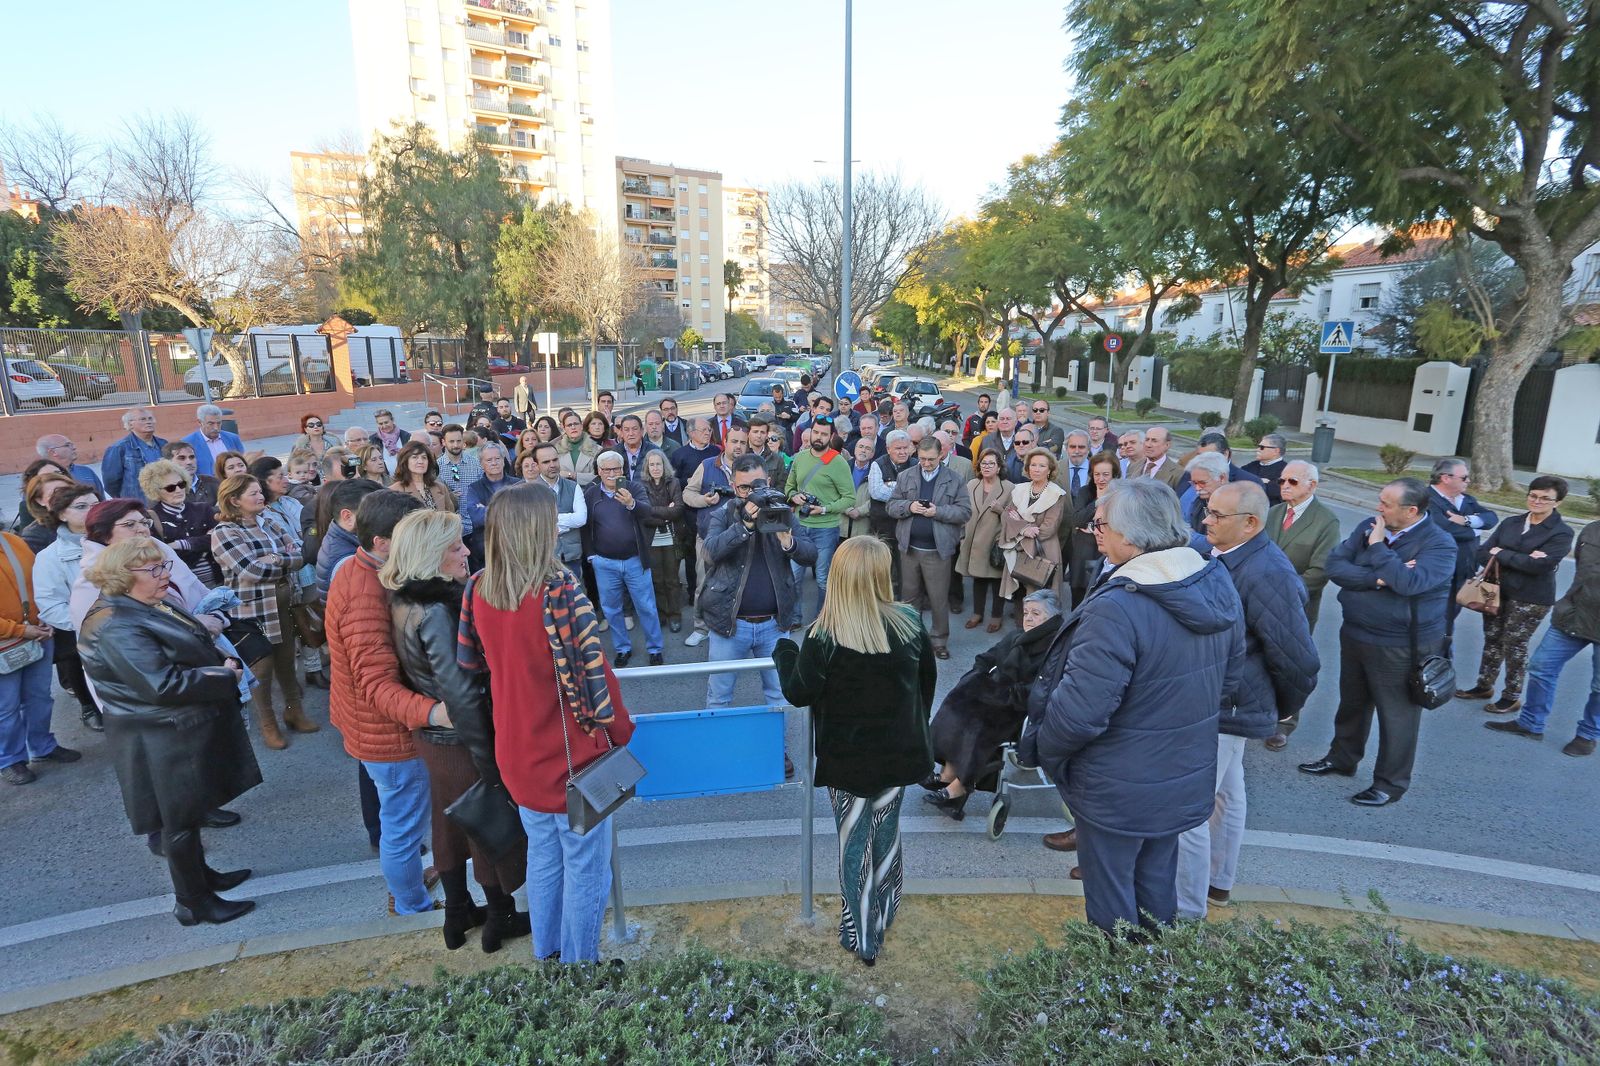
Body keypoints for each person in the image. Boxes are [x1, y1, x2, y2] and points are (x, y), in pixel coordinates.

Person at [1024, 478, 1244, 934]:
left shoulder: (1121, 606)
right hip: (1179, 774)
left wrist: (1044, 750)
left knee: (1112, 904)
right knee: (1155, 887)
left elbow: (1080, 712)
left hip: (1117, 785)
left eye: (1101, 524)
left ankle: (1117, 991)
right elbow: (1231, 679)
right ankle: (1152, 981)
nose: (1095, 531)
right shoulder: (1212, 579)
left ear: (1132, 535)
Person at [457, 484, 635, 964]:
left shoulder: (477, 588)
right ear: (535, 531)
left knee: (543, 856)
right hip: (569, 755)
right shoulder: (560, 592)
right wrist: (620, 733)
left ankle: (548, 955)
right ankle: (581, 967)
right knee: (585, 868)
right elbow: (598, 677)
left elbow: (471, 664)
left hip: (515, 752)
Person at [77, 536, 259, 924]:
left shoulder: (138, 605)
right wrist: (221, 675)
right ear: (123, 576)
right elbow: (161, 684)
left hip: (172, 731)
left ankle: (202, 879)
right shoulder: (115, 624)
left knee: (187, 816)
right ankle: (193, 902)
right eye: (155, 569)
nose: (166, 574)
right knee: (177, 822)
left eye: (164, 565)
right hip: (160, 736)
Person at [774, 536, 935, 966]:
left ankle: (861, 932)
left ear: (840, 578)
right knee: (887, 834)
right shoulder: (908, 622)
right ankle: (886, 910)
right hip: (899, 755)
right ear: (882, 575)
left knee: (852, 843)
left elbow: (799, 691)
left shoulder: (824, 634)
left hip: (848, 761)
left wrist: (785, 651)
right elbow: (926, 689)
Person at [382, 510, 530, 952]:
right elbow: (462, 693)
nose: (467, 550)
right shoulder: (439, 611)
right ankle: (498, 918)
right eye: (455, 546)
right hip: (463, 740)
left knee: (447, 827)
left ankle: (457, 911)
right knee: (484, 828)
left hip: (434, 742)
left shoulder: (404, 600)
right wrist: (490, 761)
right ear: (431, 555)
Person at [1176, 481, 1318, 919]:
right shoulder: (1228, 556)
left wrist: (1279, 708)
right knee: (1227, 796)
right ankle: (1218, 883)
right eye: (1207, 510)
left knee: (1189, 808)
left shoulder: (1268, 572)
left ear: (1251, 524)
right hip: (1227, 702)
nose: (1205, 520)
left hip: (1229, 705)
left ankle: (1185, 908)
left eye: (1217, 515)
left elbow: (1297, 658)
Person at [1299, 478, 1456, 806]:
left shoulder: (1439, 544)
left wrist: (1377, 548)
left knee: (1396, 714)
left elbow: (1409, 584)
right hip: (1356, 631)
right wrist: (1377, 578)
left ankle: (1390, 783)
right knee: (1352, 702)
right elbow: (1336, 566)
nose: (1378, 508)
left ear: (1411, 511)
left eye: (1386, 503)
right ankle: (1342, 757)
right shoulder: (1370, 526)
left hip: (1398, 643)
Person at [328, 490, 444, 914]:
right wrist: (435, 713)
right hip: (389, 737)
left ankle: (410, 876)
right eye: (410, 534)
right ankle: (411, 902)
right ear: (381, 543)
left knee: (404, 821)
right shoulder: (365, 593)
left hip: (374, 729)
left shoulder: (360, 568)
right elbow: (376, 684)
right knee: (402, 825)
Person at [924, 589, 1063, 819]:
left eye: (1036, 613)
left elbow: (1040, 690)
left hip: (1017, 707)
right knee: (955, 705)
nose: (1028, 618)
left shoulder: (1052, 649)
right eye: (1026, 612)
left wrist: (1000, 692)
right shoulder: (1017, 636)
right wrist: (977, 675)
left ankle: (959, 784)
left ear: (1051, 619)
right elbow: (986, 658)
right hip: (994, 694)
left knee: (978, 723)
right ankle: (948, 772)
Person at [702, 454, 817, 708]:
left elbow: (811, 555)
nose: (752, 494)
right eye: (745, 488)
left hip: (774, 625)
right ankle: (718, 749)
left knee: (779, 694)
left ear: (768, 481)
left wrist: (789, 543)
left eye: (758, 486)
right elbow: (710, 553)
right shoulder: (724, 514)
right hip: (728, 624)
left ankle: (778, 749)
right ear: (733, 487)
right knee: (719, 697)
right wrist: (744, 526)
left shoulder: (783, 512)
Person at [1455, 476, 1574, 714]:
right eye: (1533, 495)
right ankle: (1484, 685)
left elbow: (1539, 566)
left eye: (1545, 498)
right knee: (1492, 639)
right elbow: (1481, 552)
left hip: (1531, 598)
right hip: (1496, 591)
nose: (1537, 501)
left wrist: (1502, 553)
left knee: (1514, 645)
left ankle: (1511, 696)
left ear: (1557, 502)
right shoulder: (1511, 522)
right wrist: (1522, 557)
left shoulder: (1562, 532)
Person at [211, 474, 312, 750]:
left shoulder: (270, 520)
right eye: (253, 493)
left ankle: (294, 711)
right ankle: (269, 723)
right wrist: (284, 560)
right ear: (234, 500)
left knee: (287, 661)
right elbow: (250, 570)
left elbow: (301, 555)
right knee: (261, 668)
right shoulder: (225, 532)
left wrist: (277, 558)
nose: (260, 496)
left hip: (284, 603)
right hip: (251, 611)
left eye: (259, 492)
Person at [1486, 516, 1600, 755]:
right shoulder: (1591, 530)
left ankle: (1588, 734)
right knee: (1541, 667)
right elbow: (1582, 571)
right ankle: (1530, 723)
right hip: (1573, 614)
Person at [1263, 460, 1341, 749]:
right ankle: (1258, 713)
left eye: (1292, 482)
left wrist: (1282, 593)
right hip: (1261, 602)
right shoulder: (1272, 513)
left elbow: (1320, 571)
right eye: (1282, 480)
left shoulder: (1326, 521)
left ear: (1312, 485)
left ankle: (1284, 723)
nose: (1284, 485)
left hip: (1297, 606)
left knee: (1290, 663)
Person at [887, 436, 971, 660]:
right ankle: (911, 638)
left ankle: (939, 641)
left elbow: (964, 512)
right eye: (922, 459)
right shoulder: (905, 476)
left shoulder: (954, 479)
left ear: (941, 455)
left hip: (937, 550)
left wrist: (938, 512)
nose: (926, 463)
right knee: (909, 597)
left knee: (938, 598)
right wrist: (909, 506)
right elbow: (891, 506)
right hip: (909, 548)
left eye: (931, 459)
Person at [31, 483, 104, 733]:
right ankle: (89, 706)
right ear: (62, 514)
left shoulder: (118, 540)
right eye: (81, 507)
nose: (92, 511)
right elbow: (50, 606)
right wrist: (91, 624)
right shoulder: (50, 558)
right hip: (89, 633)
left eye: (96, 505)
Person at [583, 451, 664, 667]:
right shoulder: (591, 494)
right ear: (599, 471)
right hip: (605, 563)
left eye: (616, 469)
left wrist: (631, 503)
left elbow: (648, 513)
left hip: (635, 560)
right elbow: (585, 527)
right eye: (607, 470)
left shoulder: (634, 488)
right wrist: (591, 555)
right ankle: (622, 648)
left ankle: (655, 649)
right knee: (611, 608)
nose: (612, 474)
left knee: (646, 606)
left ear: (623, 469)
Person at [682, 424, 748, 647]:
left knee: (739, 585)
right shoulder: (708, 465)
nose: (738, 446)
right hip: (709, 539)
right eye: (734, 441)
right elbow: (687, 493)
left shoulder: (751, 467)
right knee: (703, 584)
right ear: (725, 443)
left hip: (742, 539)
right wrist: (704, 501)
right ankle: (701, 628)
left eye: (742, 442)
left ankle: (734, 625)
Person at [1427, 458, 1498, 648]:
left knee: (1449, 618)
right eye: (1464, 477)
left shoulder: (1466, 500)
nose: (1468, 481)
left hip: (1464, 571)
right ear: (1446, 478)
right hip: (1438, 571)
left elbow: (1491, 518)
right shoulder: (1427, 499)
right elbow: (1443, 529)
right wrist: (1475, 529)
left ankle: (1441, 652)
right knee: (1432, 617)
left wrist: (1465, 520)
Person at [785, 415, 855, 598]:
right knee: (794, 576)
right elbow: (789, 487)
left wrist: (824, 509)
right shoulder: (799, 458)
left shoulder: (838, 462)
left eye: (824, 434)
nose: (818, 437)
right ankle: (794, 620)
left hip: (826, 528)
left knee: (823, 578)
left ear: (831, 437)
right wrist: (794, 496)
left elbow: (849, 498)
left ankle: (821, 622)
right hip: (799, 525)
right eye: (815, 432)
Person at [999, 449, 1067, 605]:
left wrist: (1019, 524)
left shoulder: (1057, 494)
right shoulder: (1019, 489)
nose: (1036, 469)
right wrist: (1025, 529)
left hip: (1043, 550)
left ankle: (1039, 626)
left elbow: (1048, 528)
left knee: (1039, 594)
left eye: (1042, 466)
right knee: (1019, 589)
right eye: (1033, 465)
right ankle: (1021, 622)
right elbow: (1007, 515)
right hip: (1018, 547)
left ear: (1050, 470)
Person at [956, 450, 1014, 633]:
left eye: (991, 463)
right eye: (983, 463)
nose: (986, 466)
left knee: (997, 580)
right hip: (973, 540)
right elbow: (963, 510)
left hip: (995, 541)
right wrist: (962, 535)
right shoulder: (972, 484)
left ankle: (996, 616)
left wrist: (1000, 510)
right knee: (978, 579)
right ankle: (977, 614)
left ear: (999, 467)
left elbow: (1015, 518)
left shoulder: (1009, 487)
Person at [140, 459, 217, 587]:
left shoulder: (203, 508)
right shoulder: (152, 517)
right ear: (156, 491)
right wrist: (203, 540)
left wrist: (180, 544)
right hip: (182, 586)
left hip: (217, 580)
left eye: (181, 484)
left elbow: (217, 539)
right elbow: (161, 553)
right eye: (170, 488)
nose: (178, 490)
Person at [638, 449, 685, 634]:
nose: (656, 468)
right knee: (656, 579)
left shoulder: (674, 482)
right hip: (651, 539)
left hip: (671, 538)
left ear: (664, 465)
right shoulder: (640, 485)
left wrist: (655, 511)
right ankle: (662, 614)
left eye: (659, 464)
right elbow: (643, 513)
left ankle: (675, 615)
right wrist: (665, 514)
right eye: (652, 464)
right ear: (647, 467)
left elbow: (679, 509)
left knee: (672, 579)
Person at [1066, 452, 1120, 608]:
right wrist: (1098, 501)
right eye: (1097, 474)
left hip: (1107, 552)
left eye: (1105, 474)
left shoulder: (1121, 494)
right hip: (1083, 550)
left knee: (1100, 597)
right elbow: (1076, 519)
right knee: (1078, 598)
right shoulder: (1085, 492)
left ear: (1114, 475)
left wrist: (1089, 526)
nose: (1101, 479)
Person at [101, 408, 168, 499]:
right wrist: (126, 500)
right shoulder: (119, 448)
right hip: (138, 503)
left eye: (150, 418)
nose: (148, 422)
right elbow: (111, 482)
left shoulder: (163, 444)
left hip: (163, 500)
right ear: (130, 424)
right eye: (143, 419)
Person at [390, 440, 457, 514]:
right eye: (415, 457)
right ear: (405, 461)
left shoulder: (441, 488)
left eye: (424, 457)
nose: (420, 461)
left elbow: (451, 518)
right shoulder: (395, 491)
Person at [35, 434, 105, 495]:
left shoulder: (86, 471)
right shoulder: (38, 477)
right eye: (68, 445)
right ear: (53, 452)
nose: (74, 447)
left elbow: (101, 500)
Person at [183, 404, 244, 469]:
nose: (216, 428)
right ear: (200, 422)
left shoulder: (233, 438)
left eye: (219, 423)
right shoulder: (188, 443)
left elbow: (243, 462)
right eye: (211, 424)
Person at [163, 441, 219, 508]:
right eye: (182, 458)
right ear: (169, 462)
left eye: (192, 457)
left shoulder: (213, 482)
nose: (189, 462)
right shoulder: (164, 488)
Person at [1242, 433, 1288, 506]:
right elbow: (1236, 479)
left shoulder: (1287, 470)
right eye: (1258, 446)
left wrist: (1250, 481)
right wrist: (1262, 481)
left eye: (1262, 447)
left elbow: (1273, 492)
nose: (1257, 449)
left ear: (1276, 451)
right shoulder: (1252, 465)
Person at [558, 411, 600, 486]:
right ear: (564, 428)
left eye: (576, 424)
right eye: (569, 425)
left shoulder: (597, 449)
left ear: (581, 426)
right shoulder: (556, 449)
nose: (573, 427)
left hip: (588, 492)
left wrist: (573, 475)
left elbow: (598, 476)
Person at [1059, 430, 1092, 496]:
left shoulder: (1097, 470)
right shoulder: (1056, 468)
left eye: (1081, 447)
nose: (1076, 451)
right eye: (1072, 447)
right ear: (1066, 448)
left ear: (1088, 449)